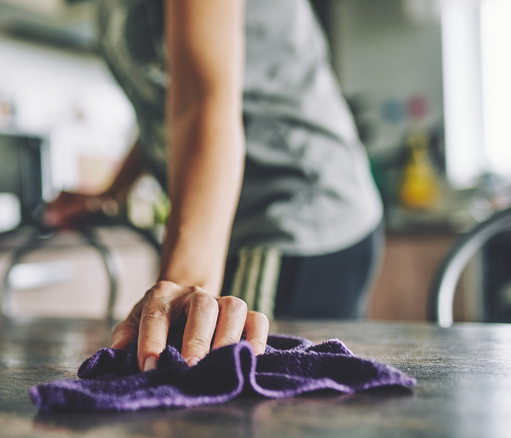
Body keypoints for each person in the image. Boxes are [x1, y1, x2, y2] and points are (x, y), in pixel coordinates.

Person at [45, 0, 384, 373]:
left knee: (229, 388)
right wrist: (112, 191)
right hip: (243, 221)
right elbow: (167, 109)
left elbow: (200, 101)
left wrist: (184, 289)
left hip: (294, 208)